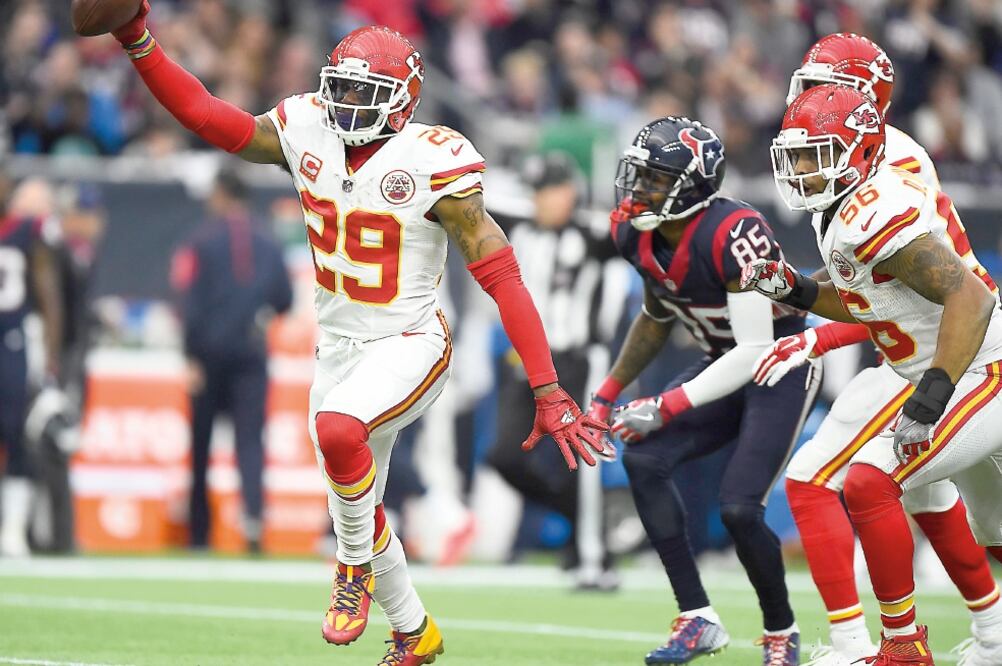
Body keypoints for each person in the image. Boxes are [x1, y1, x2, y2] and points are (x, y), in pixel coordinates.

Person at [103, 5, 606, 664]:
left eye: (362, 93)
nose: (342, 103)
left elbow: (502, 276)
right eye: (339, 86)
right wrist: (136, 38)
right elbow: (204, 114)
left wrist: (547, 387)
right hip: (338, 348)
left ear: (402, 103)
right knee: (360, 502)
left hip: (410, 340)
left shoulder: (431, 160)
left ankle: (349, 571)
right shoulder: (306, 127)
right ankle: (414, 632)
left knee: (339, 434)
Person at [748, 33, 1002, 666]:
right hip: (928, 358)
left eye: (814, 155)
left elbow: (970, 298)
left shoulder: (877, 201)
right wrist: (796, 290)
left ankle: (903, 645)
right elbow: (871, 297)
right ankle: (984, 638)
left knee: (871, 481)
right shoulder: (848, 191)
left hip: (974, 362)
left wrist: (931, 396)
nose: (800, 168)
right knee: (991, 526)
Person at [587, 116, 819, 666]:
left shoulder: (732, 232)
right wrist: (606, 394)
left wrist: (666, 404)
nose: (639, 188)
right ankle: (697, 616)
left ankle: (781, 632)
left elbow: (754, 348)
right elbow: (656, 315)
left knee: (739, 508)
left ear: (693, 185)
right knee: (643, 457)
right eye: (637, 175)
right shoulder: (634, 234)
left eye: (655, 178)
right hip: (721, 362)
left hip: (778, 366)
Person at [486, 151, 622, 589]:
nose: (542, 200)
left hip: (576, 361)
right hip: (526, 362)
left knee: (578, 460)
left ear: (568, 192)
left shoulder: (592, 233)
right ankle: (582, 524)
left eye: (549, 190)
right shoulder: (520, 228)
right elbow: (474, 201)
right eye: (537, 192)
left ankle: (593, 561)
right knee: (504, 456)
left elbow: (639, 235)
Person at [171, 168, 293, 552]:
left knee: (202, 442)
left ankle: (199, 530)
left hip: (207, 354)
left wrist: (190, 353)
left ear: (222, 194)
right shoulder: (269, 242)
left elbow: (188, 301)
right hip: (251, 353)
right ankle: (253, 519)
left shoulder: (200, 240)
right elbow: (285, 299)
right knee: (250, 440)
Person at [0, 169, 63, 557]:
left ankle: (13, 528)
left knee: (15, 431)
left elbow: (48, 292)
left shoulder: (26, 230)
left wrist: (52, 354)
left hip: (11, 341)